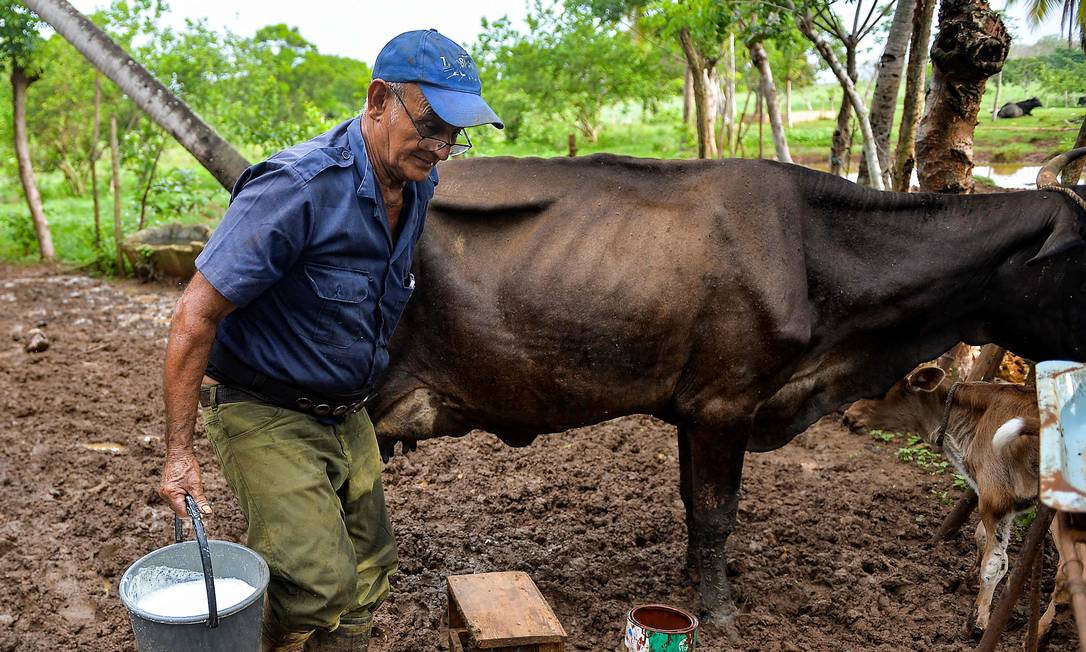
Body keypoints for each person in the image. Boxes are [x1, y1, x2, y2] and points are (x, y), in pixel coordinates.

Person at [157, 29, 502, 652]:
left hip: (346, 411)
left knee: (371, 566)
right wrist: (180, 454)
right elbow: (193, 317)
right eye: (433, 126)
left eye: (456, 133)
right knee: (316, 584)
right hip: (263, 410)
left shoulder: (417, 185)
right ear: (378, 100)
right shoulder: (296, 189)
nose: (444, 148)